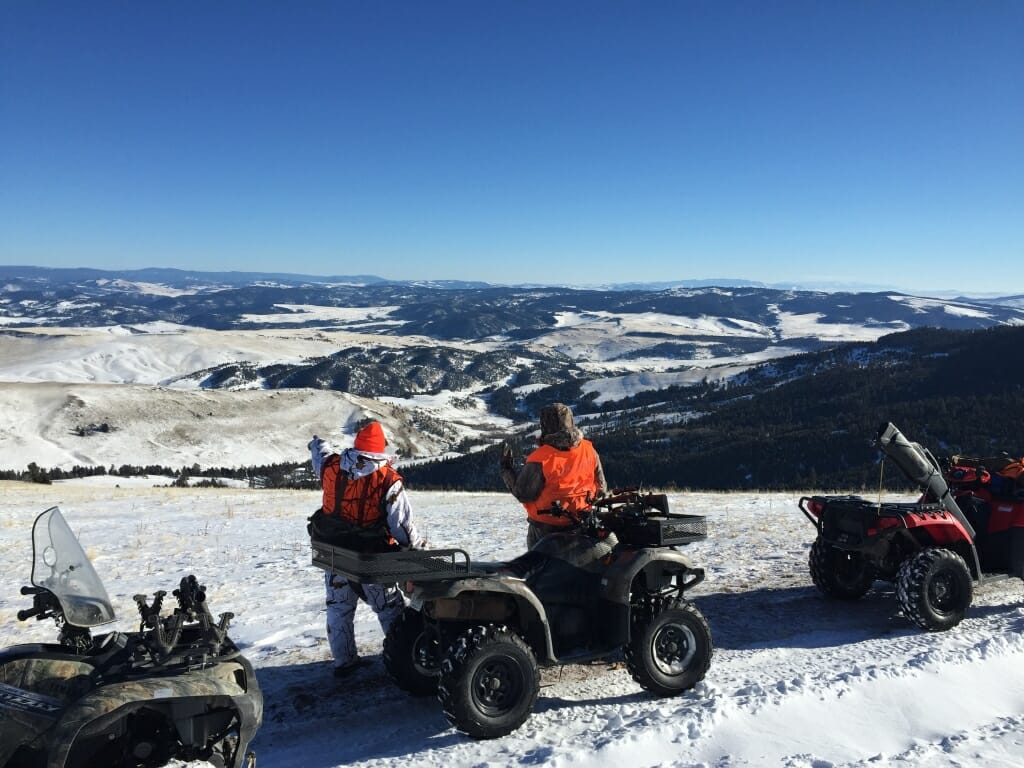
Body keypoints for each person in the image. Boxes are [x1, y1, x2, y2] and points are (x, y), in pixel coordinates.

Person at [308, 421, 425, 678]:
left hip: (333, 552)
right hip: (370, 557)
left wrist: (317, 443)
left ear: (358, 443)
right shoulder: (388, 479)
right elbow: (401, 526)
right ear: (380, 449)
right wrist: (417, 549)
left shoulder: (333, 465)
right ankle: (406, 659)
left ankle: (344, 662)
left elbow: (320, 454)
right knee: (389, 607)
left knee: (338, 607)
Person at [500, 403, 608, 548]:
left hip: (545, 530)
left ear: (544, 425)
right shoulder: (589, 450)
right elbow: (602, 487)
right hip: (582, 525)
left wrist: (506, 469)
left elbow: (523, 494)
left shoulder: (540, 458)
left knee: (537, 569)